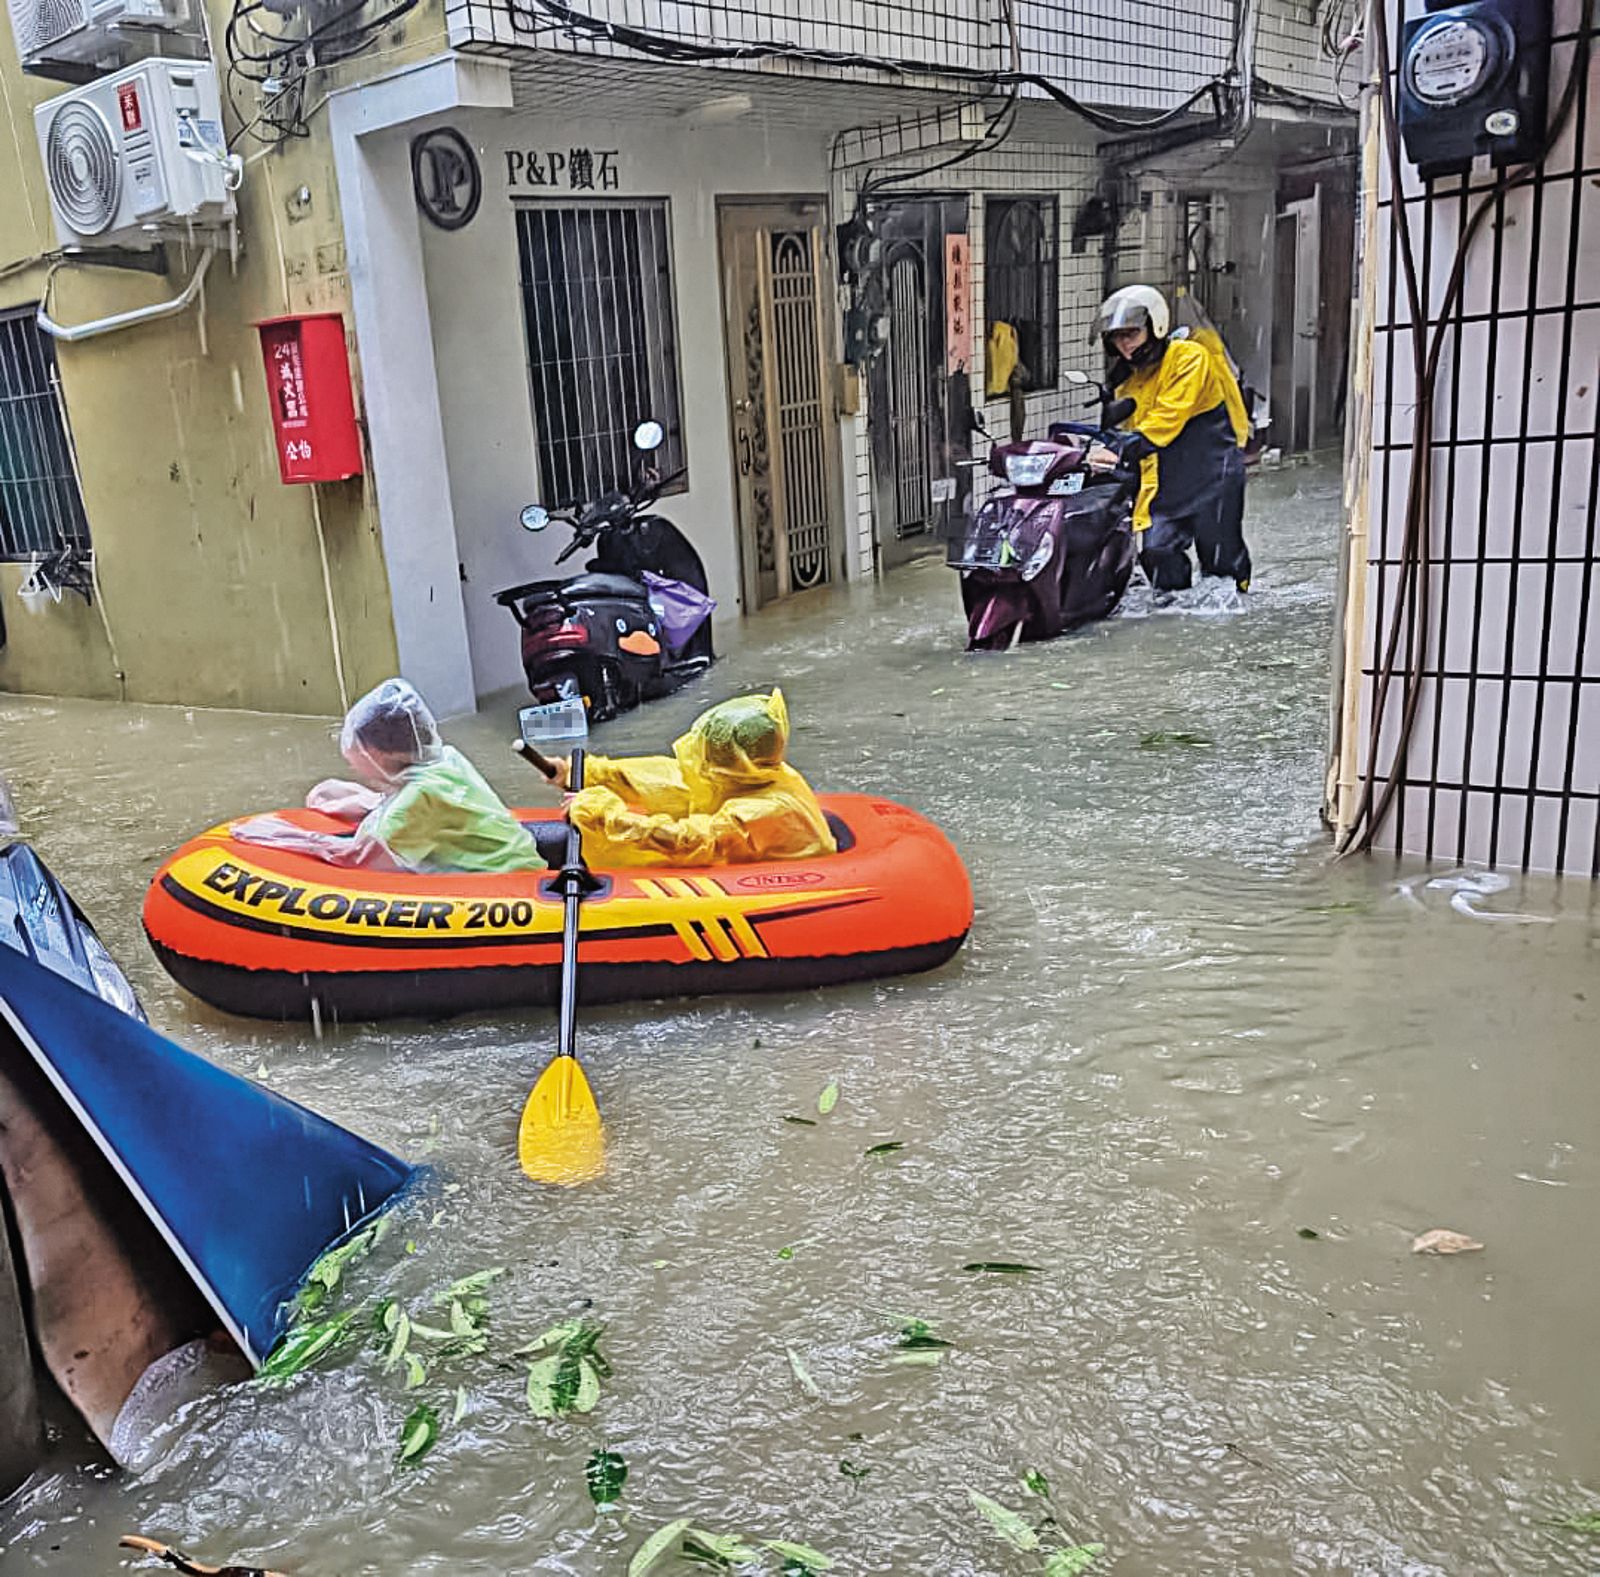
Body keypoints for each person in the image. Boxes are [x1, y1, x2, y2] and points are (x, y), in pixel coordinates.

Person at [232, 678, 542, 873]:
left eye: (359, 755)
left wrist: (285, 837)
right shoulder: (448, 760)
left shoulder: (415, 802)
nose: (354, 764)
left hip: (505, 886)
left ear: (381, 754)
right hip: (526, 862)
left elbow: (356, 858)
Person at [543, 688, 836, 868]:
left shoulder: (764, 810)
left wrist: (598, 812)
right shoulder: (755, 770)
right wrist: (583, 773)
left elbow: (687, 842)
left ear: (724, 762)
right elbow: (666, 778)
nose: (699, 757)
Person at [1094, 285, 1252, 594]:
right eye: (1117, 337)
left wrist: (1124, 446)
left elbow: (1166, 419)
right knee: (1157, 555)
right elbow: (1127, 430)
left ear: (1156, 327)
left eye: (1131, 334)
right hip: (1165, 484)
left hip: (1212, 476)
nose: (1124, 345)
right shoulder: (1128, 382)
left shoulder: (1189, 358)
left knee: (1222, 569)